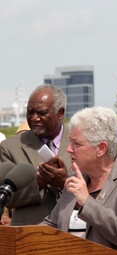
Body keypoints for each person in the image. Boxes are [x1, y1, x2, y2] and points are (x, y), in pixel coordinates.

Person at [42, 106, 117, 255]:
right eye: (70, 142)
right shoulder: (75, 179)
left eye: (77, 144)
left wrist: (87, 202)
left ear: (101, 148)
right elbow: (52, 225)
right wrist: (18, 233)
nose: (69, 149)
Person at [0, 84, 72, 225]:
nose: (34, 118)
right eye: (30, 112)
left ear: (60, 113)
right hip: (29, 236)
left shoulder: (82, 142)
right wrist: (39, 182)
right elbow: (6, 198)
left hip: (76, 237)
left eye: (41, 113)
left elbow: (99, 192)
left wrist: (65, 182)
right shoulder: (10, 147)